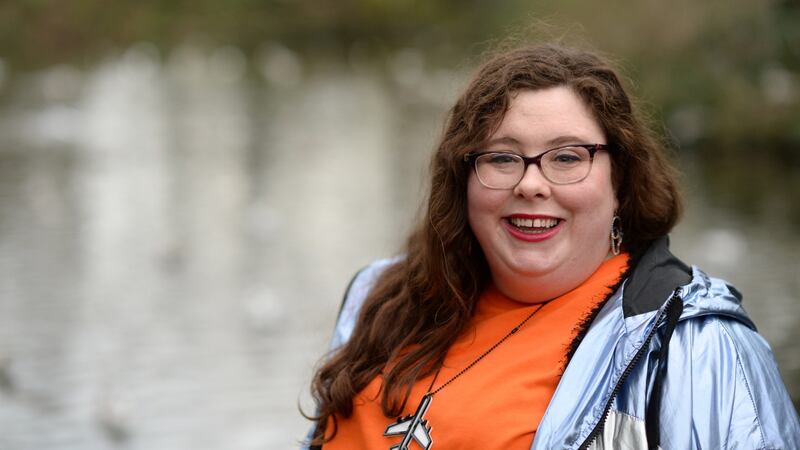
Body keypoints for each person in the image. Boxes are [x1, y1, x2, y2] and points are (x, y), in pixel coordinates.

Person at [302, 44, 800, 449]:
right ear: (463, 180)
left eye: (566, 156)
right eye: (502, 157)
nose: (532, 184)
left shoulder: (696, 347)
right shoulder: (380, 295)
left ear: (620, 179)